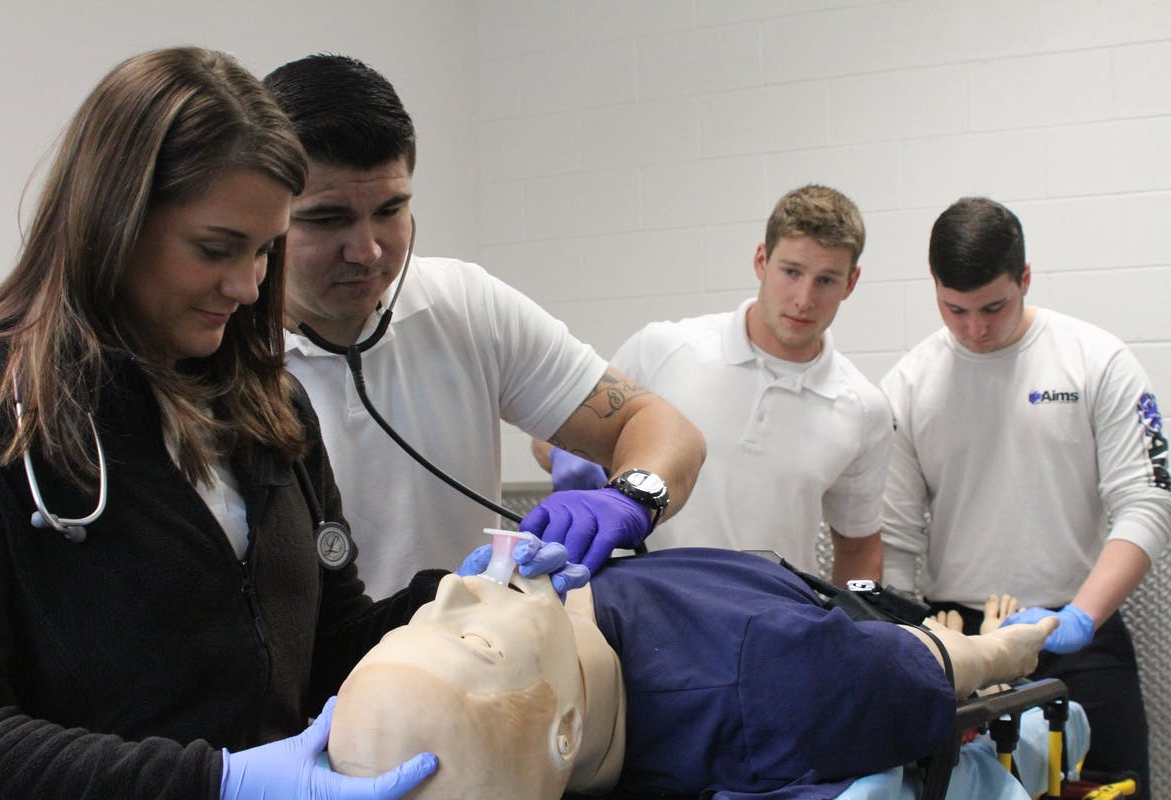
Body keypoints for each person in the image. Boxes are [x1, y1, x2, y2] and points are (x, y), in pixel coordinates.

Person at [0, 47, 585, 800]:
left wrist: (451, 596)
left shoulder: (269, 409)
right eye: (216, 249)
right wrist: (216, 782)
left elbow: (327, 645)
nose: (249, 283)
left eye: (266, 249)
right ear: (112, 221)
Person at [262, 55, 706, 597]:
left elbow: (662, 426)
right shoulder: (215, 347)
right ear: (266, 214)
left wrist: (630, 497)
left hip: (468, 666)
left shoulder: (465, 307)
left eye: (390, 210)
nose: (367, 250)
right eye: (327, 219)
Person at [326, 548, 1059, 800]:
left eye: (421, 623)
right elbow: (940, 664)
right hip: (879, 629)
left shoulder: (544, 618)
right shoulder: (771, 678)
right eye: (472, 639)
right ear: (566, 732)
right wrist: (1010, 650)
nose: (451, 593)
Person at [880, 196, 1171, 797]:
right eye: (954, 309)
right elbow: (897, 540)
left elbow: (1148, 501)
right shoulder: (908, 385)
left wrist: (1082, 617)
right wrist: (914, 641)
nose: (975, 329)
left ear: (1026, 279)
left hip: (1079, 635)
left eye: (994, 306)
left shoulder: (1095, 361)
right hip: (965, 638)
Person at [537, 185, 891, 584]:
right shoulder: (664, 349)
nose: (804, 298)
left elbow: (858, 547)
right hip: (645, 609)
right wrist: (568, 455)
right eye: (791, 272)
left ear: (851, 282)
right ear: (761, 260)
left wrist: (855, 638)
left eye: (826, 280)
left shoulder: (864, 409)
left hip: (778, 623)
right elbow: (548, 432)